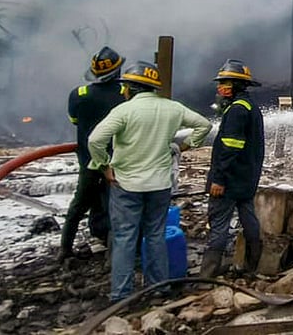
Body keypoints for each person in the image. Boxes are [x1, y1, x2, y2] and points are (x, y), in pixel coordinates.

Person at [88, 60, 211, 302]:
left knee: (125, 238)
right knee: (155, 235)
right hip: (159, 185)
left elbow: (95, 140)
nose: (123, 90)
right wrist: (183, 146)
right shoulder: (172, 108)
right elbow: (204, 125)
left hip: (126, 185)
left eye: (125, 87)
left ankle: (121, 295)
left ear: (131, 88)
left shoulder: (123, 111)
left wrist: (103, 166)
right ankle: (160, 289)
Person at [59, 46, 127, 261]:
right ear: (117, 71)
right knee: (115, 205)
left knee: (78, 205)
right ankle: (112, 253)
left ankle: (65, 250)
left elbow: (75, 121)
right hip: (117, 161)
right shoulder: (126, 95)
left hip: (88, 161)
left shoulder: (79, 94)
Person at [200, 59, 266, 279]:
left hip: (228, 180)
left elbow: (230, 147)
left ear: (238, 85)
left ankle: (207, 275)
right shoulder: (250, 107)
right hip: (246, 178)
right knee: (249, 218)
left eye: (226, 82)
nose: (221, 87)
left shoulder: (237, 110)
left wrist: (218, 178)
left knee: (218, 223)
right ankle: (253, 264)